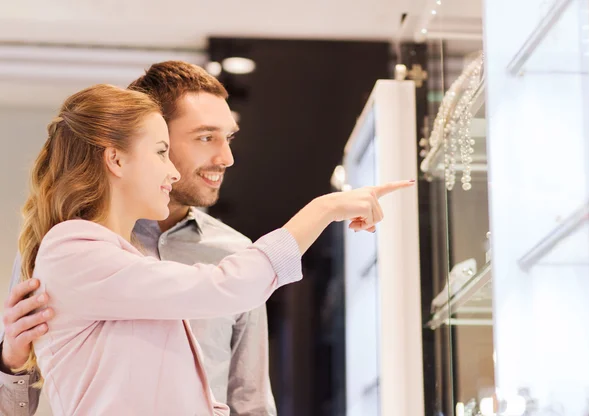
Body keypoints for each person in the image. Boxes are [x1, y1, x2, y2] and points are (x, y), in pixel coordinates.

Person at [2, 83, 412, 415]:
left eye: (228, 138)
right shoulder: (70, 249)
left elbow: (246, 398)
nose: (174, 169)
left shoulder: (230, 249)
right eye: (165, 150)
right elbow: (225, 287)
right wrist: (325, 208)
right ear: (117, 160)